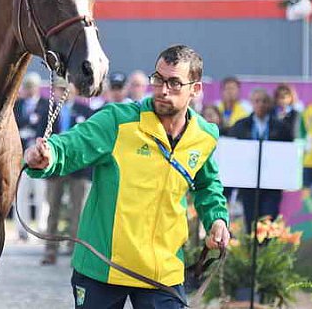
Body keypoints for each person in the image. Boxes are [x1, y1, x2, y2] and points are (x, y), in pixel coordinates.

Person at [24, 45, 229, 309]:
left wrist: (217, 219)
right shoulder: (116, 120)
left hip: (162, 271)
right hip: (102, 266)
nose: (163, 90)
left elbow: (206, 185)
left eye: (175, 83)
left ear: (196, 89)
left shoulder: (204, 136)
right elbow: (71, 146)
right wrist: (47, 156)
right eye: (159, 79)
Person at [42, 78, 95, 265]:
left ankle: (76, 251)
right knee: (53, 209)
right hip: (55, 168)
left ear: (73, 89)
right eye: (58, 89)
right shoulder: (47, 112)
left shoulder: (85, 111)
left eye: (65, 89)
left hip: (78, 167)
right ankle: (50, 250)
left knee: (78, 210)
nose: (62, 92)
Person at [228, 88, 292, 233]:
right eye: (257, 101)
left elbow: (288, 152)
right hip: (248, 180)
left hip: (272, 180)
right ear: (252, 103)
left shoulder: (281, 127)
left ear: (270, 104)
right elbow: (233, 151)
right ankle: (252, 248)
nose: (261, 104)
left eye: (264, 101)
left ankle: (267, 250)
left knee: (269, 215)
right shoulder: (241, 125)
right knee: (251, 217)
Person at [13, 72, 49, 241]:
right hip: (20, 154)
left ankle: (41, 227)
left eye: (32, 87)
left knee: (41, 192)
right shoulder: (17, 105)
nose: (29, 90)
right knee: (21, 193)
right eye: (26, 87)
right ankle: (22, 229)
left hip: (39, 154)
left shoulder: (46, 105)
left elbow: (50, 128)